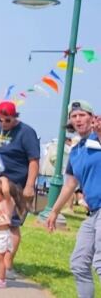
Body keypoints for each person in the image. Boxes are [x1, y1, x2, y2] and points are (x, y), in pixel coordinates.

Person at [0, 100, 40, 277]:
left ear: (15, 117)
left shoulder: (26, 132)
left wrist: (29, 186)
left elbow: (34, 160)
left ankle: (7, 264)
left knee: (12, 224)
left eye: (8, 120)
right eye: (1, 120)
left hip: (17, 184)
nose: (4, 123)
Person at [47, 100, 101, 298]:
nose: (78, 119)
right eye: (74, 116)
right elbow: (70, 184)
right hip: (93, 212)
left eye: (82, 114)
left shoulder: (98, 138)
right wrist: (54, 211)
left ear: (92, 117)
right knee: (78, 264)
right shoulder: (77, 151)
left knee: (100, 263)